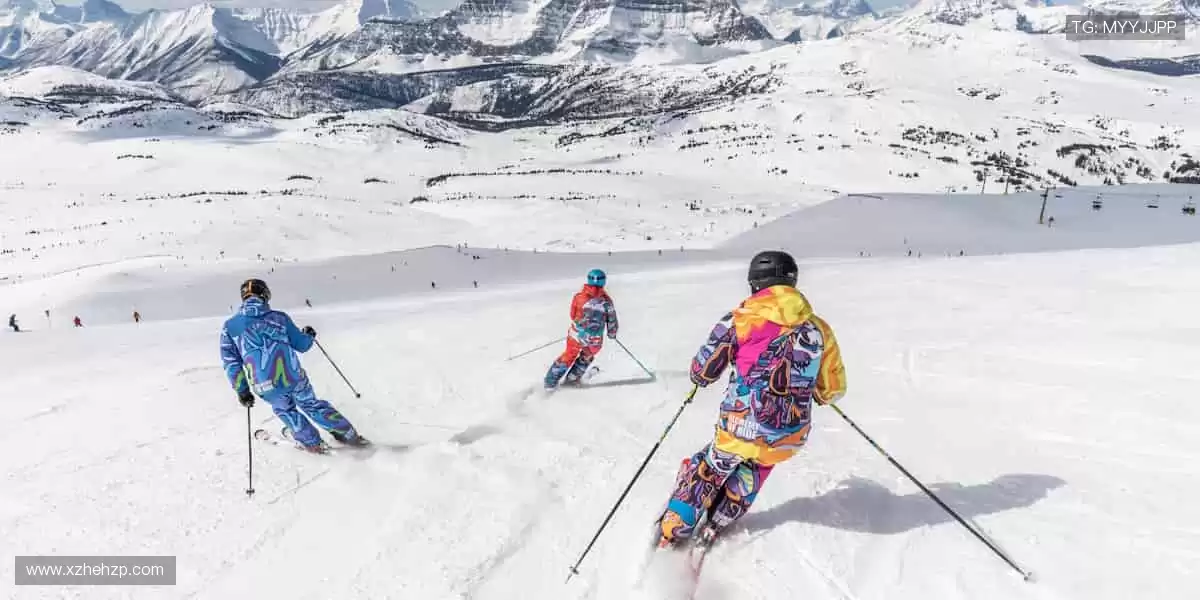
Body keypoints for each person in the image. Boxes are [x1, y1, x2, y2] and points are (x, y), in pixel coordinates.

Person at [655, 250, 847, 548]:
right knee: (757, 467)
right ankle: (719, 519)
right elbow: (832, 388)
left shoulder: (739, 320)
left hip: (739, 424)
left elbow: (704, 368)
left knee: (710, 467)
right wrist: (819, 393)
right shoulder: (819, 329)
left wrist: (699, 379)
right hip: (789, 434)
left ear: (756, 285)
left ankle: (675, 526)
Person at [219, 278, 368, 453]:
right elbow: (301, 345)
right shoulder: (279, 318)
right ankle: (348, 435)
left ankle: (312, 442)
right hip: (293, 376)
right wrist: (309, 336)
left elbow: (231, 362)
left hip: (264, 384)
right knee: (311, 404)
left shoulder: (230, 327)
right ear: (265, 295)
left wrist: (242, 390)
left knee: (286, 410)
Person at [543, 269, 619, 389]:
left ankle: (550, 380)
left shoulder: (579, 297)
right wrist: (612, 332)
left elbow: (572, 314)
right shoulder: (607, 302)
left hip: (577, 334)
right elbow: (612, 319)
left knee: (569, 354)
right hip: (595, 338)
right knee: (587, 355)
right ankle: (572, 379)